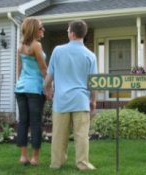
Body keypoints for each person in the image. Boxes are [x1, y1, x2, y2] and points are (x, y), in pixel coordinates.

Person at [45, 20, 98, 170]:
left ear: (72, 34)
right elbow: (94, 83)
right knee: (81, 136)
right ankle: (83, 164)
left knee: (58, 136)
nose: (67, 32)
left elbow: (49, 76)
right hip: (81, 101)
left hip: (61, 101)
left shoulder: (58, 51)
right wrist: (93, 101)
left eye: (68, 30)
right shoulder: (91, 55)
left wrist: (46, 88)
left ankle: (56, 163)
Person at [14, 17, 47, 165]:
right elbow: (43, 69)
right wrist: (49, 86)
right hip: (34, 89)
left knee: (23, 122)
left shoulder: (20, 46)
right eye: (41, 28)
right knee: (35, 123)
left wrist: (19, 83)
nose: (43, 30)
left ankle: (23, 156)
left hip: (21, 88)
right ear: (34, 29)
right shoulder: (36, 45)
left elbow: (19, 68)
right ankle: (34, 158)